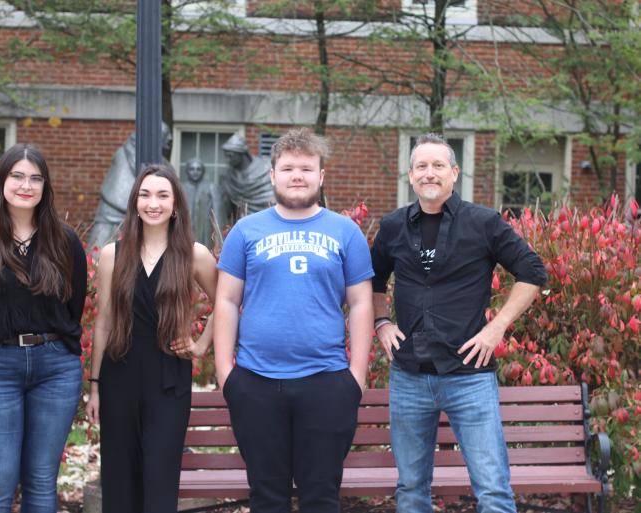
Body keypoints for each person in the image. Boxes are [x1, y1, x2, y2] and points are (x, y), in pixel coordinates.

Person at [371, 133, 548, 513]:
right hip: (409, 375)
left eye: (438, 166)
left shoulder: (484, 223)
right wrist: (382, 322)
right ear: (410, 175)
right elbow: (372, 280)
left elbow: (532, 272)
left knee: (493, 491)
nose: (429, 173)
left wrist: (496, 327)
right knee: (411, 489)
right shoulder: (393, 226)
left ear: (454, 173)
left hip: (470, 375)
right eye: (422, 166)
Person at [214, 127, 374, 513]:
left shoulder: (345, 231)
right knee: (267, 498)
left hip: (327, 382)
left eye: (306, 167)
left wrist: (356, 376)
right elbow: (226, 300)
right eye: (288, 168)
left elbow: (361, 303)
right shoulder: (246, 231)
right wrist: (226, 373)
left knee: (321, 496)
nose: (297, 175)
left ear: (321, 175)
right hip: (255, 382)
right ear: (273, 175)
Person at [0, 143, 87, 513]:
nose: (27, 185)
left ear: (45, 186)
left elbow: (74, 306)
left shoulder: (65, 241)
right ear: (2, 181)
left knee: (41, 480)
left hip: (55, 367)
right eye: (18, 176)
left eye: (36, 178)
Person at [86, 164, 218, 513]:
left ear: (176, 205)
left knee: (160, 484)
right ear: (134, 202)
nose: (152, 203)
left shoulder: (194, 254)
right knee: (118, 482)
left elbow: (229, 303)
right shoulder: (113, 255)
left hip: (168, 382)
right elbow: (104, 322)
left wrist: (201, 346)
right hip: (119, 377)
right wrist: (95, 386)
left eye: (162, 195)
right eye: (144, 194)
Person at [88, 124, 172, 250]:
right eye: (165, 135)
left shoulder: (164, 165)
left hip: (135, 214)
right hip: (113, 210)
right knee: (98, 250)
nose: (169, 139)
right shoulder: (125, 153)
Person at [220, 133, 274, 219]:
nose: (227, 160)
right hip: (243, 222)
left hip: (269, 219)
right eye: (226, 156)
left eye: (230, 156)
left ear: (241, 153)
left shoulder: (267, 167)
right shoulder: (228, 176)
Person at [182, 158, 225, 247]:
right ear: (187, 171)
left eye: (198, 169)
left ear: (203, 171)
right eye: (192, 169)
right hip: (184, 232)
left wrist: (218, 237)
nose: (195, 172)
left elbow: (218, 216)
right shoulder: (181, 188)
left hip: (205, 234)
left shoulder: (211, 187)